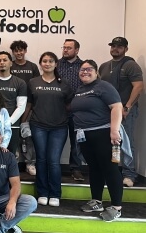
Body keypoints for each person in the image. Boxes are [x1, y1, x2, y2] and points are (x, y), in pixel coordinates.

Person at [71, 60, 123, 222]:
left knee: (110, 169)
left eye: (89, 69)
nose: (85, 72)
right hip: (85, 135)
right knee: (94, 169)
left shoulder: (103, 86)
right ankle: (97, 202)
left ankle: (116, 207)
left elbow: (117, 107)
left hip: (104, 133)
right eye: (82, 70)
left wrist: (114, 131)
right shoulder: (80, 89)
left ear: (96, 72)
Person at [23, 52, 73, 207]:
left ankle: (55, 194)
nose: (47, 63)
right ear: (40, 64)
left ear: (56, 64)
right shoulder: (32, 82)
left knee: (53, 161)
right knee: (41, 159)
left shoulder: (64, 83)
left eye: (51, 61)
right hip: (38, 125)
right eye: (44, 61)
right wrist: (24, 122)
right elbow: (29, 105)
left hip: (59, 127)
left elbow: (70, 106)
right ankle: (43, 193)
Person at [98, 37, 143, 187]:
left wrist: (127, 107)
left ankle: (129, 174)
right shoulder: (104, 66)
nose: (115, 49)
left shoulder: (131, 65)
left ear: (126, 49)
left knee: (126, 141)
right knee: (109, 142)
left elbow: (138, 87)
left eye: (119, 46)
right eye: (113, 46)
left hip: (125, 110)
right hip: (106, 111)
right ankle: (112, 172)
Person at [0, 51, 27, 155]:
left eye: (5, 60)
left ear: (11, 63)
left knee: (9, 155)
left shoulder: (20, 83)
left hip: (12, 125)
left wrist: (7, 122)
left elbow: (21, 106)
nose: (2, 62)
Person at [9, 40, 39, 176]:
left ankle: (30, 163)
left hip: (29, 105)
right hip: (12, 106)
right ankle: (13, 162)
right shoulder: (10, 65)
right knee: (13, 135)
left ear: (25, 51)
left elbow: (37, 86)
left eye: (21, 50)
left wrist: (30, 106)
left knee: (27, 135)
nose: (19, 53)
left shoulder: (32, 67)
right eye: (16, 50)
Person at [58, 39, 85, 181]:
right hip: (58, 109)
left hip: (77, 110)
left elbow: (87, 85)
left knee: (76, 141)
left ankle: (76, 169)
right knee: (57, 139)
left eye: (69, 48)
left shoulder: (83, 66)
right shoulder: (56, 64)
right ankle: (54, 166)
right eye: (64, 47)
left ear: (77, 50)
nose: (65, 50)